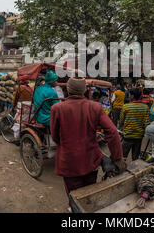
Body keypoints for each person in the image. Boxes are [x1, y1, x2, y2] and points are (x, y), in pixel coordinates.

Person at [50, 77, 125, 208]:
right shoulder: (95, 107)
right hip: (90, 160)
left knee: (74, 197)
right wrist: (117, 157)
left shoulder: (57, 108)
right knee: (89, 194)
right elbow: (113, 132)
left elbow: (55, 137)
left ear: (67, 89)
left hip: (69, 161)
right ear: (84, 90)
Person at [119, 88, 150, 161]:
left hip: (128, 136)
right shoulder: (145, 107)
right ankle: (134, 170)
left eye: (129, 94)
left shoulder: (126, 107)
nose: (128, 96)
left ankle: (121, 170)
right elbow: (146, 123)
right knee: (135, 158)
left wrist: (122, 127)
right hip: (139, 137)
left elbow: (121, 121)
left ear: (132, 96)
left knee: (123, 157)